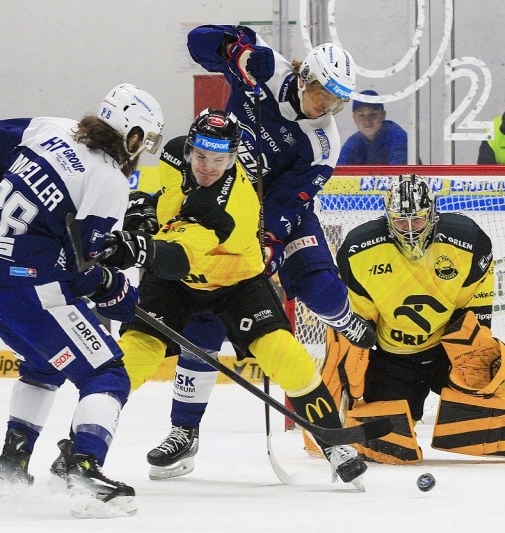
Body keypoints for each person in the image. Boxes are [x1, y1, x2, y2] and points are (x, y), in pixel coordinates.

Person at [119, 24, 376, 479]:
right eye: (323, 94)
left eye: (337, 102)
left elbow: (289, 201)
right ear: (304, 78)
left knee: (319, 290)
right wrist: (233, 49)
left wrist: (268, 241)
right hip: (217, 197)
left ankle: (343, 320)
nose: (326, 107)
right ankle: (184, 432)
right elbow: (197, 41)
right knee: (200, 316)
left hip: (272, 217)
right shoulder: (267, 68)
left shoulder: (324, 143)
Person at [61, 108, 367, 488]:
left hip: (234, 282)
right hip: (176, 282)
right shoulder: (172, 159)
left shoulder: (228, 204)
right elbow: (169, 203)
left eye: (219, 160)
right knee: (132, 359)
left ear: (233, 158)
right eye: (201, 155)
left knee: (284, 355)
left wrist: (137, 246)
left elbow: (176, 257)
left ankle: (334, 442)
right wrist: (147, 211)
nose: (207, 167)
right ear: (188, 149)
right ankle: (78, 449)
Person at [315, 173, 505, 464]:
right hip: (392, 361)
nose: (409, 229)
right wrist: (343, 382)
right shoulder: (358, 250)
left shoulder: (468, 241)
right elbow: (355, 325)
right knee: (387, 442)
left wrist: (477, 365)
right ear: (387, 218)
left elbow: (475, 318)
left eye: (417, 220)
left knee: (497, 408)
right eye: (401, 221)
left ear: (432, 214)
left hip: (448, 356)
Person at [0, 83, 164, 518]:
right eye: (143, 140)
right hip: (27, 287)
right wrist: (115, 289)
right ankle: (84, 470)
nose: (142, 150)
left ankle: (11, 468)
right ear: (130, 134)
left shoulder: (53, 128)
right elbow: (80, 270)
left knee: (44, 363)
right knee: (107, 374)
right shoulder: (109, 178)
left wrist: (14, 196)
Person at [337, 89, 408, 165]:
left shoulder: (398, 138)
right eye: (361, 115)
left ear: (382, 115)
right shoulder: (355, 140)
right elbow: (337, 168)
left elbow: (396, 172)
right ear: (354, 118)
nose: (367, 121)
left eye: (373, 115)